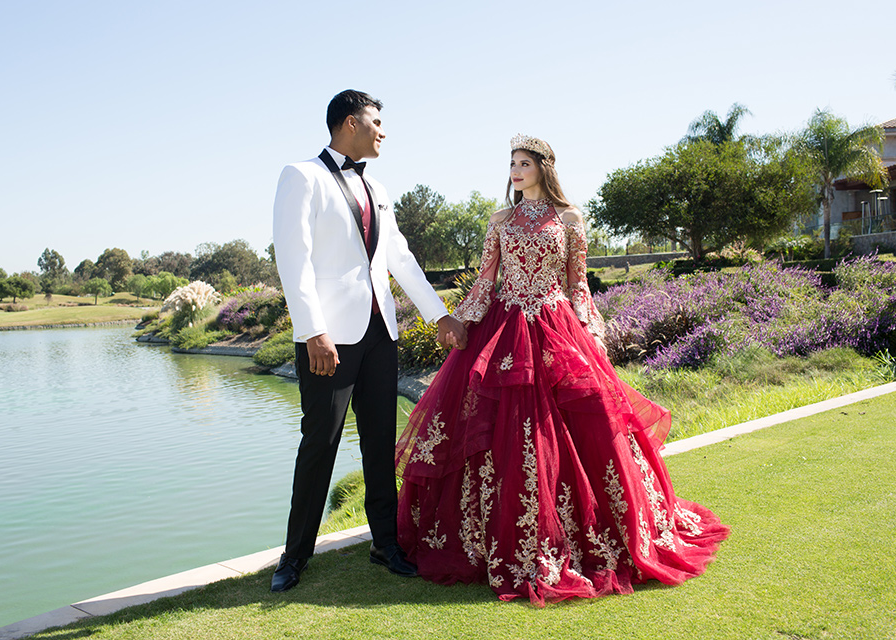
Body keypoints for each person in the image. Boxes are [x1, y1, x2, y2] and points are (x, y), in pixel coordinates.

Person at [395, 134, 729, 604]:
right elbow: (485, 282)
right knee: (505, 432)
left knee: (587, 423)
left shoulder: (571, 220)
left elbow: (578, 285)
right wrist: (461, 322)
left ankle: (592, 536)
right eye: (512, 163)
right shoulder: (500, 220)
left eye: (524, 162)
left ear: (544, 167)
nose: (515, 170)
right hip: (506, 330)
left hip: (558, 329)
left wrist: (593, 333)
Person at [271, 90, 467, 593]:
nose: (383, 131)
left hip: (382, 333)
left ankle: (386, 543)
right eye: (377, 122)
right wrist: (312, 329)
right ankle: (294, 557)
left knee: (380, 442)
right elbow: (294, 259)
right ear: (349, 122)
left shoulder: (377, 187)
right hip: (328, 338)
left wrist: (439, 315)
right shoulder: (301, 177)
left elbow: (398, 257)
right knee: (321, 443)